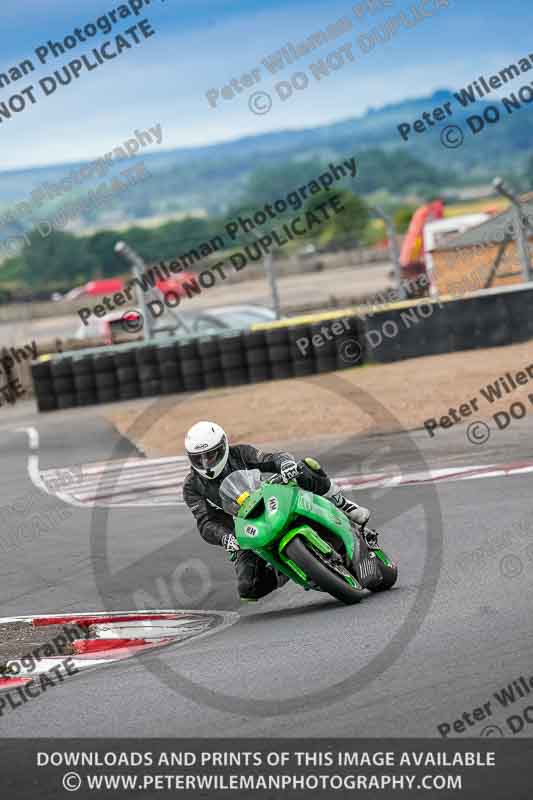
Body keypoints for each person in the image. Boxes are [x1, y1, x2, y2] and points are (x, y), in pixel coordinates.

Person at [182, 420, 371, 601]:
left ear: (223, 447)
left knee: (305, 467)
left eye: (210, 455)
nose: (205, 463)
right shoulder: (191, 486)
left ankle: (341, 503)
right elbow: (205, 522)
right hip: (243, 525)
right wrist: (225, 537)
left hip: (269, 497)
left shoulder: (240, 453)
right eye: (198, 458)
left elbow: (270, 458)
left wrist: (285, 464)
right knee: (249, 589)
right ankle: (287, 567)